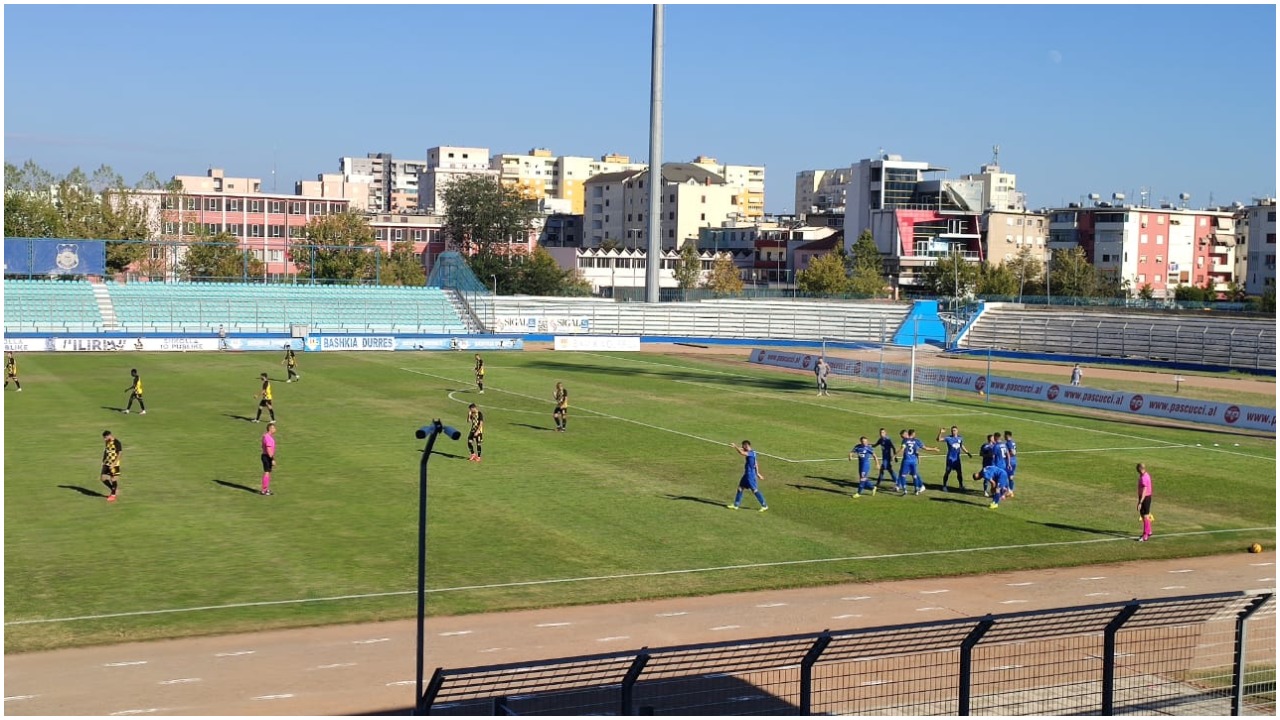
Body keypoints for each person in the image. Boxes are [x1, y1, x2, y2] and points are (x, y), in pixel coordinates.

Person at [727, 441, 768, 512]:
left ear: (746, 446)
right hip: (746, 474)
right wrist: (758, 473)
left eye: (743, 446)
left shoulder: (751, 453)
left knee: (754, 490)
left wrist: (735, 446)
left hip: (750, 475)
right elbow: (756, 463)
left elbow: (742, 453)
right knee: (740, 488)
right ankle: (736, 505)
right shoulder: (753, 452)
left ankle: (764, 505)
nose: (742, 448)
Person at [896, 429, 938, 496]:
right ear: (913, 434)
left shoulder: (905, 440)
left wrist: (895, 455)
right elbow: (924, 448)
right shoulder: (916, 441)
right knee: (914, 475)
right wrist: (934, 449)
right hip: (913, 461)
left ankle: (905, 489)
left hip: (907, 461)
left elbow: (902, 449)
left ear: (908, 434)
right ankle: (916, 490)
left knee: (903, 475)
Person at [936, 426, 973, 492]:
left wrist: (967, 452)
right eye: (952, 430)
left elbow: (961, 446)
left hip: (957, 459)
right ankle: (944, 486)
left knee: (959, 473)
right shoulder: (948, 438)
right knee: (947, 472)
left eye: (955, 430)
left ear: (957, 431)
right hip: (950, 458)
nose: (953, 432)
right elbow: (938, 439)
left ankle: (961, 486)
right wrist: (940, 433)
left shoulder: (960, 438)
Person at [100, 430, 123, 503]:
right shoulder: (107, 442)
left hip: (114, 464)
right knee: (103, 478)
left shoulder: (117, 442)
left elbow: (120, 454)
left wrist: (114, 463)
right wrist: (103, 460)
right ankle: (114, 489)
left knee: (113, 479)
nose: (104, 439)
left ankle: (113, 495)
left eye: (105, 437)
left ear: (109, 435)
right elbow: (106, 451)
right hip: (107, 463)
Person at [1136, 463, 1153, 542]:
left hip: (1145, 498)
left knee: (1145, 516)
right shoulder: (1145, 475)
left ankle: (1145, 535)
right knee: (1143, 515)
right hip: (1146, 498)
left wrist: (1140, 502)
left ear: (1140, 469)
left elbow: (1144, 490)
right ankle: (1149, 531)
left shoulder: (1144, 478)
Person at [260, 422, 277, 496]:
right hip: (267, 456)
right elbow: (269, 449)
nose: (275, 429)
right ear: (270, 429)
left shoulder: (266, 436)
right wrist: (272, 459)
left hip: (266, 456)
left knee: (268, 472)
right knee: (267, 472)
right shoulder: (268, 437)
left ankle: (266, 489)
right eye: (273, 428)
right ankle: (264, 490)